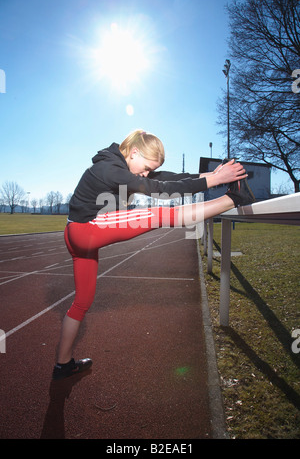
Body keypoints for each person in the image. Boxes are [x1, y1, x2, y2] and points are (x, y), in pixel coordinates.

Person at [52, 129, 255, 380]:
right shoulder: (109, 169)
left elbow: (173, 177)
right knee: (159, 215)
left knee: (81, 303)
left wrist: (212, 175)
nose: (146, 173)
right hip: (85, 232)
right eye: (146, 167)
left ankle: (63, 365)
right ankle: (234, 199)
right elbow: (158, 187)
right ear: (134, 152)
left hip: (76, 235)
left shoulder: (121, 164)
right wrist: (214, 182)